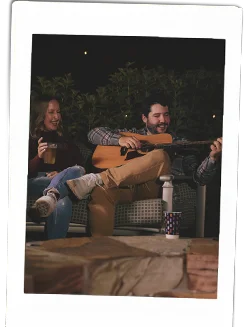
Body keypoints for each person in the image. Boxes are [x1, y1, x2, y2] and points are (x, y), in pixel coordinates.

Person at [66, 94, 222, 237]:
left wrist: (212, 159)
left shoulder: (179, 143)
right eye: (156, 116)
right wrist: (118, 140)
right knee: (101, 191)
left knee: (160, 155)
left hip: (149, 188)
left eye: (166, 115)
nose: (163, 120)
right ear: (144, 118)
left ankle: (95, 179)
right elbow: (93, 134)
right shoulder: (131, 134)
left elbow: (198, 178)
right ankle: (101, 253)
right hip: (121, 187)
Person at [27, 95, 88, 240]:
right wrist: (38, 157)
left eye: (58, 112)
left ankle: (52, 253)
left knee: (76, 174)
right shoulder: (30, 138)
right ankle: (55, 191)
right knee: (71, 179)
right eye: (51, 112)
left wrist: (60, 174)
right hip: (35, 180)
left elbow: (80, 166)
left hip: (59, 180)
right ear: (41, 115)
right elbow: (19, 173)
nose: (57, 116)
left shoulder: (65, 139)